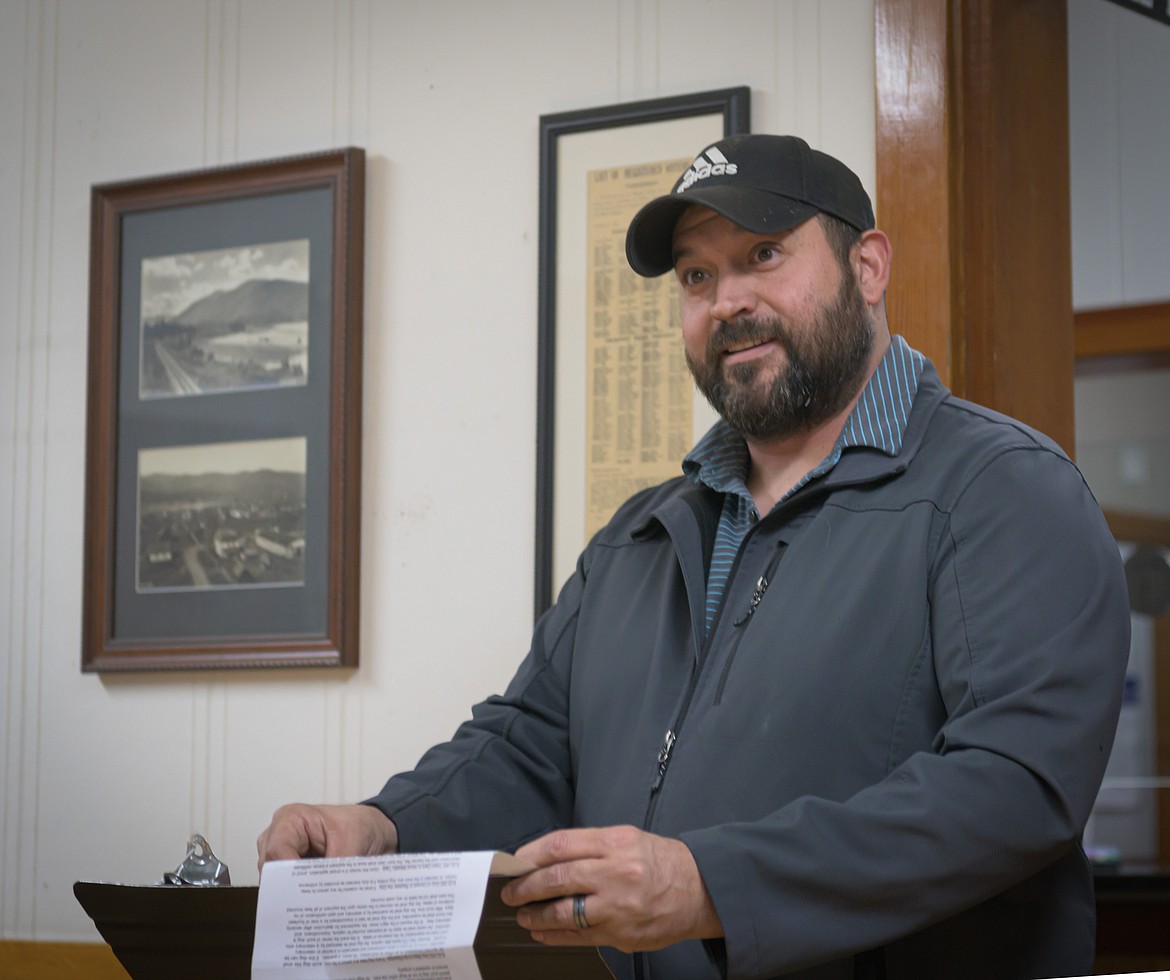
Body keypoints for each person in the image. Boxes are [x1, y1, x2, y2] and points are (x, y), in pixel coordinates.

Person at [258, 134, 1130, 980]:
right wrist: (384, 825)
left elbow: (1015, 787)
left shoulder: (1003, 491)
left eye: (762, 255)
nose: (726, 302)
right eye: (697, 276)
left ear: (868, 267)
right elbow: (529, 746)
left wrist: (709, 885)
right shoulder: (642, 532)